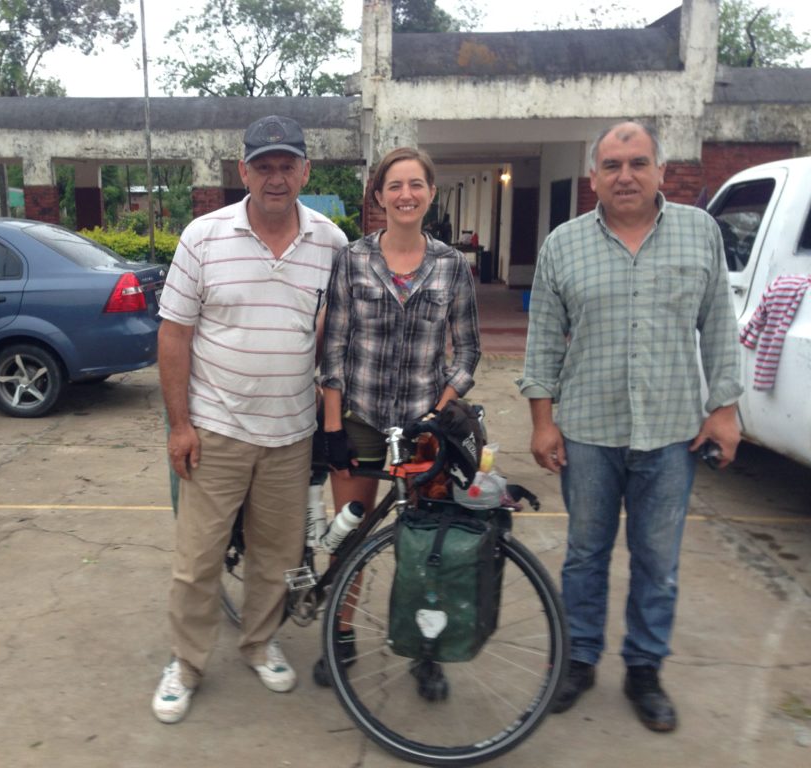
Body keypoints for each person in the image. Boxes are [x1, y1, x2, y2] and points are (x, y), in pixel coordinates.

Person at [518, 121, 743, 732]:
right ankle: (580, 658)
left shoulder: (700, 234)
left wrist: (724, 409)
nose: (625, 176)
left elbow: (719, 324)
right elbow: (542, 345)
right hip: (589, 429)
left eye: (638, 163)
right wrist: (543, 423)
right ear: (594, 177)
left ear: (660, 173)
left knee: (657, 560)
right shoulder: (563, 245)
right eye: (613, 165)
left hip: (672, 431)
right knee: (585, 555)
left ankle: (645, 667)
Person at [152, 115, 348, 724]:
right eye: (263, 166)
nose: (276, 177)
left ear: (305, 171)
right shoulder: (203, 237)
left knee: (276, 555)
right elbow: (174, 333)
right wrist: (181, 425)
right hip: (216, 430)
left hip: (292, 434)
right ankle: (185, 664)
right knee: (198, 559)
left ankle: (260, 643)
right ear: (243, 172)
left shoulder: (332, 244)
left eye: (287, 165)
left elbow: (335, 336)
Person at [317, 146, 481, 684]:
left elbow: (469, 353)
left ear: (431, 193)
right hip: (361, 416)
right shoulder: (353, 260)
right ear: (379, 196)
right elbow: (334, 350)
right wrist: (333, 427)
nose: (405, 194)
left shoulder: (453, 266)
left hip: (423, 427)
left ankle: (424, 648)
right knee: (351, 534)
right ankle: (340, 635)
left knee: (426, 543)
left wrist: (439, 413)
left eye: (416, 184)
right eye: (394, 186)